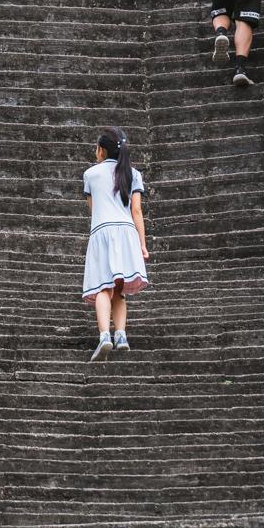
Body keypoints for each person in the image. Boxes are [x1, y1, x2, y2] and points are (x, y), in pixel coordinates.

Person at [82, 126, 150, 362]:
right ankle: (121, 335)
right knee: (119, 289)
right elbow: (137, 211)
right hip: (127, 233)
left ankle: (104, 336)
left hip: (102, 232)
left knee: (103, 287)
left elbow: (93, 210)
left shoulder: (90, 175)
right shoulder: (133, 173)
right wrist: (142, 245)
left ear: (101, 150)